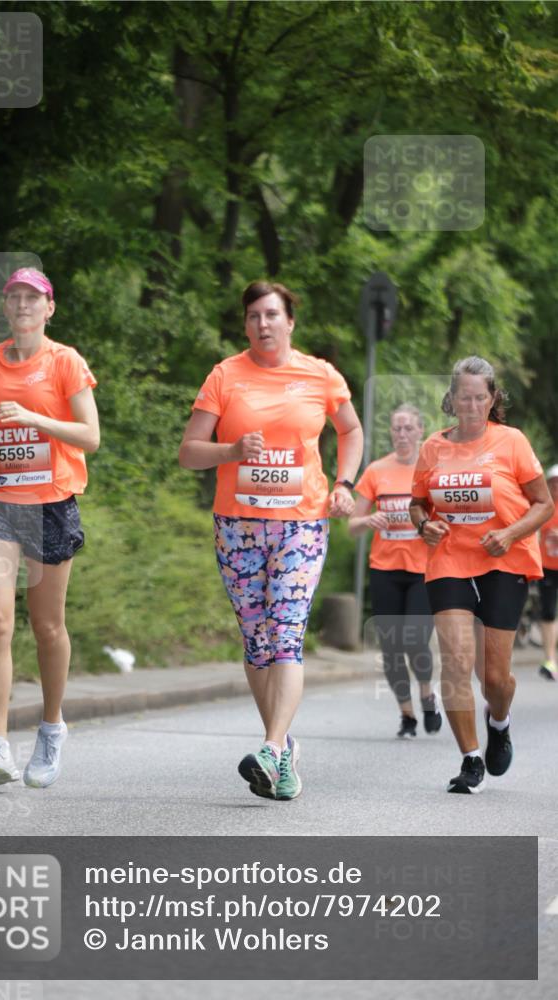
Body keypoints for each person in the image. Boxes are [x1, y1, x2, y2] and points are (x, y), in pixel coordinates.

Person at [179, 280, 363, 800]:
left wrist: (345, 483)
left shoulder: (319, 374)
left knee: (286, 635)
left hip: (300, 523)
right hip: (236, 525)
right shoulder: (225, 376)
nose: (263, 324)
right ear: (246, 325)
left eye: (272, 315)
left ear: (290, 322)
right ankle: (282, 753)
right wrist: (232, 449)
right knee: (257, 643)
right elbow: (190, 452)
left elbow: (350, 431)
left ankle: (270, 745)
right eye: (254, 316)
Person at [0, 267, 100, 788]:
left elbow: (90, 436)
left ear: (48, 309)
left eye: (32, 298)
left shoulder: (65, 362)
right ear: (6, 306)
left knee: (47, 627)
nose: (22, 304)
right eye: (14, 296)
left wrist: (36, 420)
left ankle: (52, 726)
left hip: (50, 502)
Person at [409, 356, 553, 794]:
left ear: (492, 399)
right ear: (450, 399)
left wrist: (509, 534)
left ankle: (500, 721)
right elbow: (417, 501)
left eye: (479, 397)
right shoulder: (433, 446)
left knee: (494, 678)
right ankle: (471, 760)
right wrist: (422, 523)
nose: (470, 405)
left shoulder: (511, 442)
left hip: (502, 561)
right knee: (455, 661)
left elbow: (543, 504)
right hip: (450, 559)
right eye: (462, 397)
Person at [349, 405, 441, 738]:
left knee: (416, 642)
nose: (402, 434)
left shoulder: (430, 470)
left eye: (408, 428)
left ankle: (428, 696)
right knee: (391, 649)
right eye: (396, 429)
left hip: (421, 570)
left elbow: (447, 516)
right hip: (385, 569)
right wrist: (367, 520)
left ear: (420, 431)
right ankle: (407, 715)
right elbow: (352, 525)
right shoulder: (376, 471)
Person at [538, 465, 558, 680]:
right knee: (548, 612)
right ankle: (550, 659)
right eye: (553, 483)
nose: (556, 487)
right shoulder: (543, 506)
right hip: (547, 567)